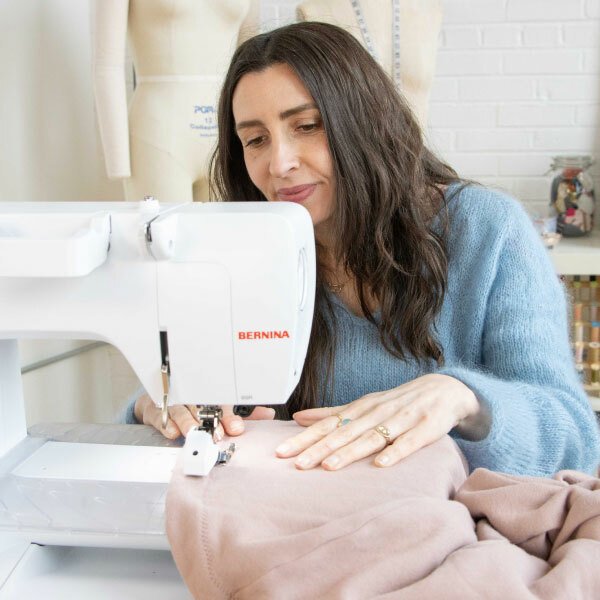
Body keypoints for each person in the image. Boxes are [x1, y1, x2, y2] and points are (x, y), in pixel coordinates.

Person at [134, 22, 600, 477]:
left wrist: (465, 400)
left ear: (363, 121)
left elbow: (575, 442)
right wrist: (157, 407)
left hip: (449, 520)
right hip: (299, 514)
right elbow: (164, 405)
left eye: (307, 126)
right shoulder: (238, 257)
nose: (279, 163)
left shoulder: (489, 232)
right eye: (255, 140)